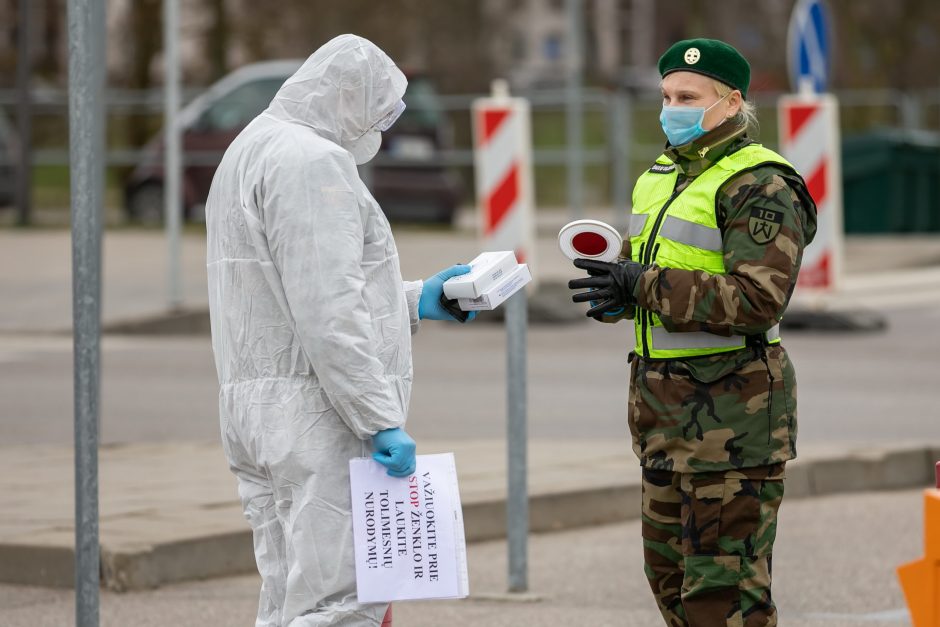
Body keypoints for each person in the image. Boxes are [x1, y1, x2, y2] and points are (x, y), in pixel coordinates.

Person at [205, 34, 473, 626]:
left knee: (286, 601)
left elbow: (288, 291)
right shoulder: (312, 162)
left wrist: (414, 301)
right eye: (381, 107)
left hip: (261, 409)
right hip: (318, 415)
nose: (382, 125)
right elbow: (328, 308)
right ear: (347, 97)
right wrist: (376, 418)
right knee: (340, 606)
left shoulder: (252, 145)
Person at [568, 38, 817, 626]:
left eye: (688, 97)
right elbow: (656, 273)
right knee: (671, 583)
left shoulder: (760, 184)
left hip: (734, 423)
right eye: (666, 96)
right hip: (664, 419)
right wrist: (615, 292)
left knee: (723, 600)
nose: (671, 107)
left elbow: (759, 299)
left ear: (731, 103)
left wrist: (642, 284)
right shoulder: (660, 175)